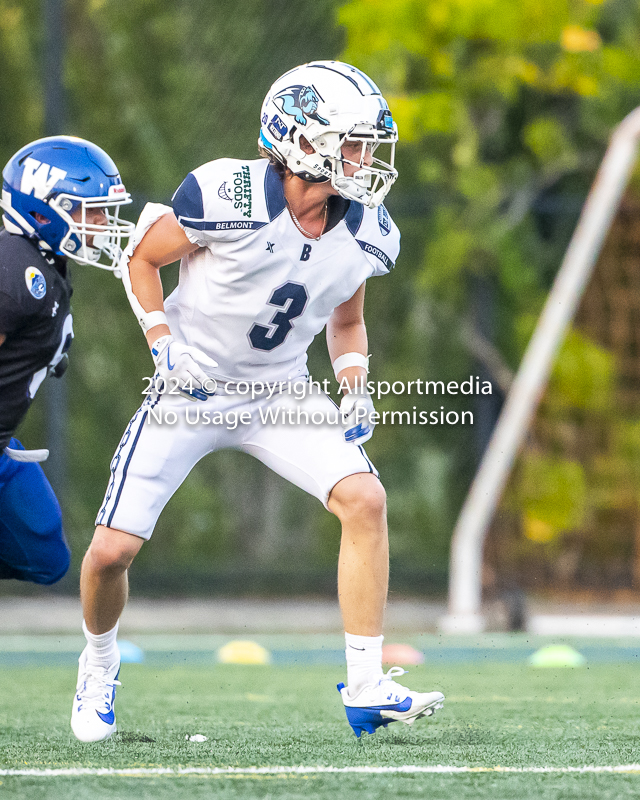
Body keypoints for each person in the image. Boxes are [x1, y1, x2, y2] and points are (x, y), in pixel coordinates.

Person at [71, 61, 444, 743]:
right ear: (302, 140)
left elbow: (347, 320)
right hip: (191, 388)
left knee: (365, 500)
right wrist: (162, 342)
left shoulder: (365, 228)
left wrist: (355, 382)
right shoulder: (228, 191)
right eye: (353, 142)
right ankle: (98, 666)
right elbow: (141, 258)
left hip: (279, 392)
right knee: (108, 556)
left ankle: (366, 687)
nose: (366, 159)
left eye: (368, 143)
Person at [0, 136, 134, 587]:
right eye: (89, 211)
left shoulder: (43, 263)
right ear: (41, 210)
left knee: (46, 558)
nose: (100, 224)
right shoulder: (14, 273)